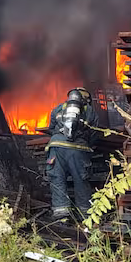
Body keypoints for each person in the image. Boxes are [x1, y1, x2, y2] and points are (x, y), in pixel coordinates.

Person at [45, 87, 96, 222]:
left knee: (57, 179)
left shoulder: (58, 109)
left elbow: (51, 129)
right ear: (86, 99)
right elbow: (96, 133)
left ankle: (61, 217)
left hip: (56, 149)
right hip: (78, 150)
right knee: (81, 180)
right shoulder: (89, 111)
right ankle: (85, 216)